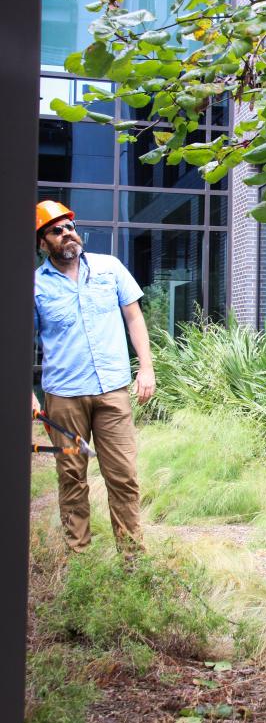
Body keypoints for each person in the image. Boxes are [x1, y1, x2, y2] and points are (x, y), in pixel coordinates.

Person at [33, 200, 156, 554]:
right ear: (43, 244)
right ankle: (80, 560)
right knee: (71, 477)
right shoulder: (35, 286)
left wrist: (145, 367)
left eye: (69, 226)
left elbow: (134, 319)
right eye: (56, 230)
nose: (67, 233)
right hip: (64, 399)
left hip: (112, 393)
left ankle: (132, 560)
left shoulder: (109, 268)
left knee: (123, 477)